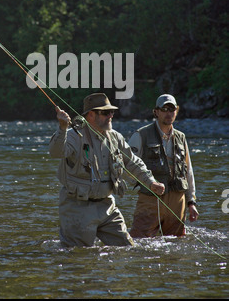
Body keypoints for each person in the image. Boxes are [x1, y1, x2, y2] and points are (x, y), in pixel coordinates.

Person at [49, 93, 165, 247]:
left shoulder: (115, 138)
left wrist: (151, 182)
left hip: (107, 207)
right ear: (90, 115)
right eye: (105, 112)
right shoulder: (73, 136)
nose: (110, 115)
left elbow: (132, 162)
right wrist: (62, 128)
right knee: (77, 256)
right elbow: (56, 152)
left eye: (111, 112)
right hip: (77, 208)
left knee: (127, 248)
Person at [128, 94, 199, 238]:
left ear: (176, 111)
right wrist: (145, 184)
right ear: (156, 112)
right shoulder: (140, 135)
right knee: (139, 243)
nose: (168, 113)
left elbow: (188, 172)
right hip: (150, 199)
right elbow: (128, 166)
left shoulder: (181, 137)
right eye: (164, 109)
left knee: (176, 244)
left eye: (172, 109)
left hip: (177, 201)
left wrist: (191, 202)